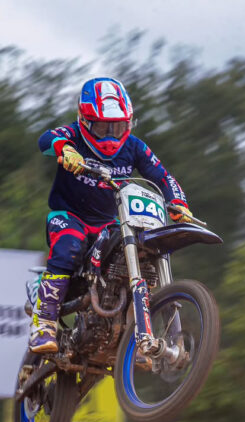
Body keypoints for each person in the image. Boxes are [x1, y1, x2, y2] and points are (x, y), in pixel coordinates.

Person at [30, 77, 193, 353]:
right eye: (101, 127)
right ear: (84, 121)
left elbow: (163, 176)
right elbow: (45, 138)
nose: (109, 136)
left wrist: (178, 203)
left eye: (117, 127)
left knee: (142, 254)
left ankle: (134, 331)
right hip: (70, 216)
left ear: (128, 124)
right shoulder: (73, 135)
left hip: (110, 222)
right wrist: (65, 149)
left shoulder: (135, 147)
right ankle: (43, 322)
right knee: (69, 245)